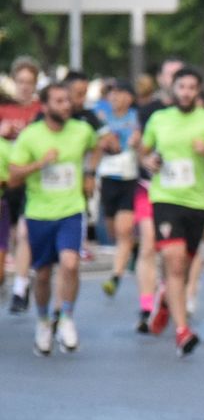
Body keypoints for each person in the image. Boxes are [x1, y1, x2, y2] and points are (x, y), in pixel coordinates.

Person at [140, 67, 204, 355]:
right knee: (174, 260)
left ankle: (166, 295)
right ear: (173, 89)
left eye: (192, 87)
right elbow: (144, 152)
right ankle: (182, 330)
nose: (187, 92)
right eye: (182, 87)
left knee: (185, 263)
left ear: (199, 91)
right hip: (165, 198)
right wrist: (148, 162)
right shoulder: (159, 119)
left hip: (197, 203)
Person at [7, 82, 99, 355]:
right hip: (39, 213)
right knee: (44, 275)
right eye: (59, 101)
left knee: (70, 264)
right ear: (44, 106)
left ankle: (67, 318)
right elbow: (13, 175)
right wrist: (39, 164)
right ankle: (44, 321)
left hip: (71, 210)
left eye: (67, 100)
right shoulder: (31, 136)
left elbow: (97, 147)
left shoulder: (82, 130)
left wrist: (91, 173)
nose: (66, 105)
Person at [98, 79, 152, 302]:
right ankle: (134, 246)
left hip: (129, 180)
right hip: (107, 179)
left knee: (123, 230)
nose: (116, 97)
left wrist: (138, 143)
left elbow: (144, 146)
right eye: (113, 94)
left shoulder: (136, 118)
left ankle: (115, 277)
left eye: (120, 93)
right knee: (113, 232)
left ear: (129, 98)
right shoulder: (101, 117)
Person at [4, 56, 43, 313]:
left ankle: (20, 286)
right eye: (20, 82)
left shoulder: (41, 111)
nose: (24, 87)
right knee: (8, 235)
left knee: (24, 233)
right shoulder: (4, 109)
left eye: (29, 82)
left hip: (32, 182)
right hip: (6, 180)